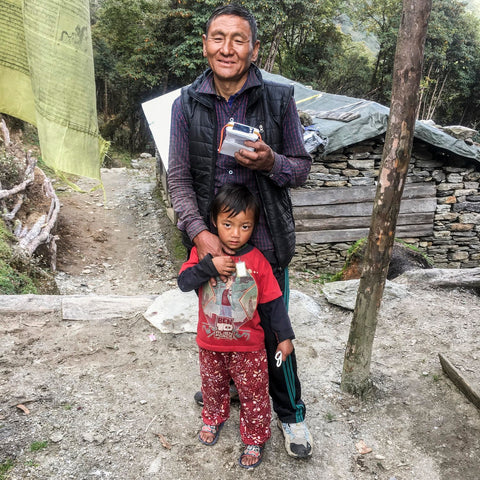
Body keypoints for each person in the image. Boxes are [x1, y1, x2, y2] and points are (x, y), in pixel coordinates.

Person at [168, 4, 313, 458]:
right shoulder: (186, 105)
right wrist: (199, 233)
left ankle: (291, 416)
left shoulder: (277, 100)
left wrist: (272, 162)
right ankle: (231, 387)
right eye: (218, 37)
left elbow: (301, 168)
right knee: (220, 324)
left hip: (264, 245)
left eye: (238, 39)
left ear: (253, 49)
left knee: (272, 331)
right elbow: (178, 177)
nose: (226, 48)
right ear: (205, 44)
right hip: (213, 246)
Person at [177, 183, 296, 469]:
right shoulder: (202, 255)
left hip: (249, 348)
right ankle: (213, 419)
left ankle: (255, 437)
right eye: (227, 224)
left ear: (254, 226)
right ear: (214, 222)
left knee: (253, 393)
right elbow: (184, 283)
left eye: (244, 226)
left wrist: (285, 337)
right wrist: (210, 267)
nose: (234, 233)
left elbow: (273, 304)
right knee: (213, 386)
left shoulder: (258, 262)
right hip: (211, 344)